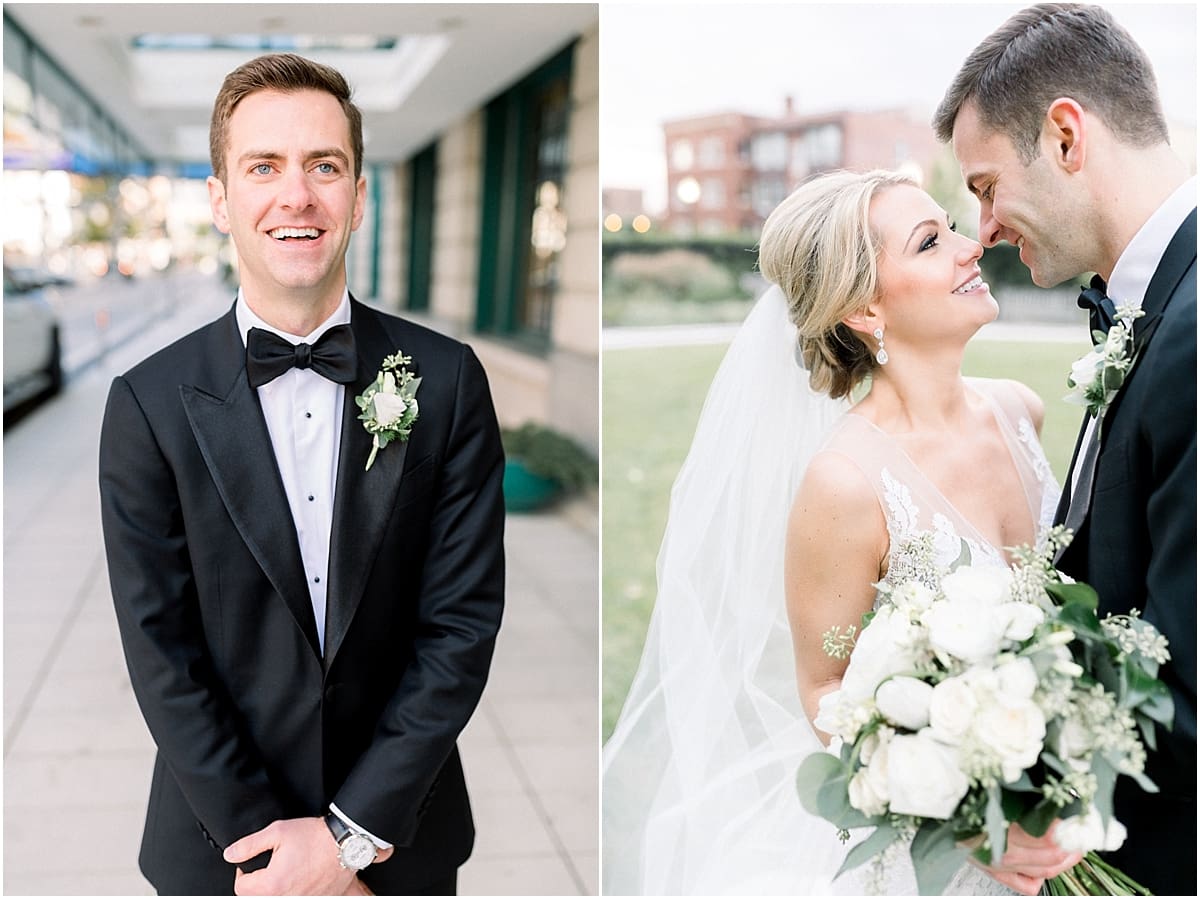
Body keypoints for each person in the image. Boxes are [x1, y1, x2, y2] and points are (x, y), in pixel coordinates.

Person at [602, 169, 1081, 895]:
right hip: (945, 858)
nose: (969, 247)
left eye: (949, 227)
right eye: (930, 243)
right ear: (864, 308)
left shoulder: (1021, 411)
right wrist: (969, 812)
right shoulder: (846, 482)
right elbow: (825, 688)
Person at [99, 53, 505, 896]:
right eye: (263, 167)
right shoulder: (145, 405)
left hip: (400, 834)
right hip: (221, 849)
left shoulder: (451, 378)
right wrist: (269, 850)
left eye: (325, 166)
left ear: (359, 196)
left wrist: (347, 840)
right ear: (220, 199)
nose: (297, 195)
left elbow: (460, 625)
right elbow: (160, 650)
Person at [934, 5, 1196, 895]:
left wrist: (998, 789)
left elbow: (1184, 676)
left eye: (984, 185)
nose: (986, 229)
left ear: (1066, 136)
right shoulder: (1153, 307)